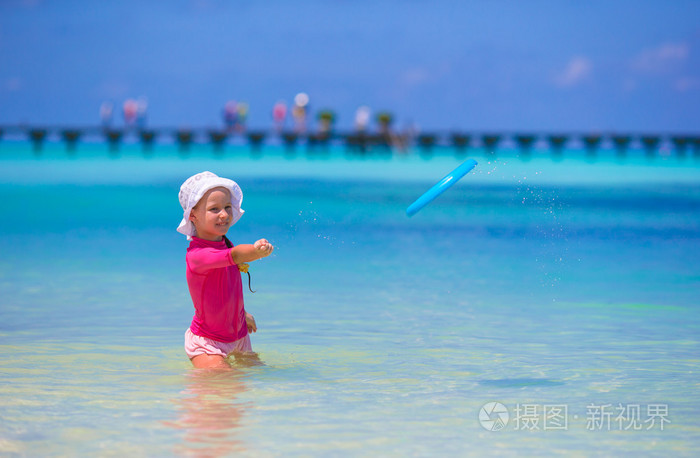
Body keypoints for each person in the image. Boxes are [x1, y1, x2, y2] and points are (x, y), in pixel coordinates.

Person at [177, 171, 274, 369]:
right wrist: (256, 251)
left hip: (238, 336)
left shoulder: (224, 243)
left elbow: (225, 288)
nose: (224, 214)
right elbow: (237, 255)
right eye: (214, 209)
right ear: (193, 215)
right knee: (224, 383)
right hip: (208, 342)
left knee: (258, 377)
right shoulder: (198, 255)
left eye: (227, 207)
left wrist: (242, 314)